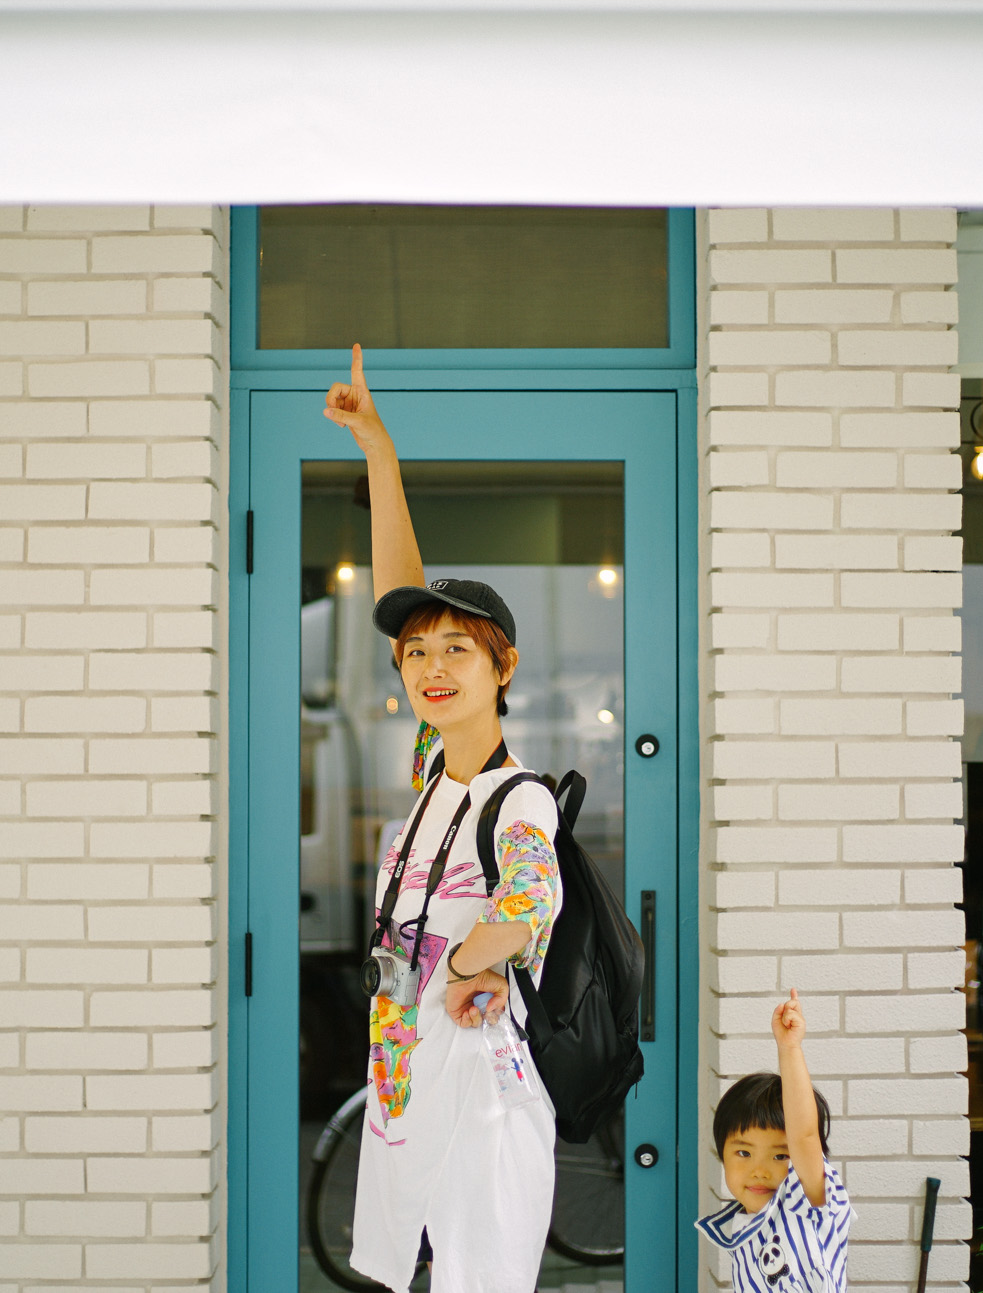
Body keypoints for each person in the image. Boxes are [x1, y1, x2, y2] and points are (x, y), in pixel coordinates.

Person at [325, 344, 565, 1293]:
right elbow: (403, 590)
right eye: (417, 653)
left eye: (458, 648)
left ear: (501, 668)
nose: (431, 665)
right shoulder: (434, 772)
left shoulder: (518, 797)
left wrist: (472, 962)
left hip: (481, 1095)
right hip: (406, 1077)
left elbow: (531, 898)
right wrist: (379, 453)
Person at [698, 989, 855, 1293]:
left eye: (781, 1156)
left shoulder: (809, 1204)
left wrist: (789, 1048)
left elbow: (804, 1135)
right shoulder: (743, 1222)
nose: (759, 1170)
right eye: (743, 1152)